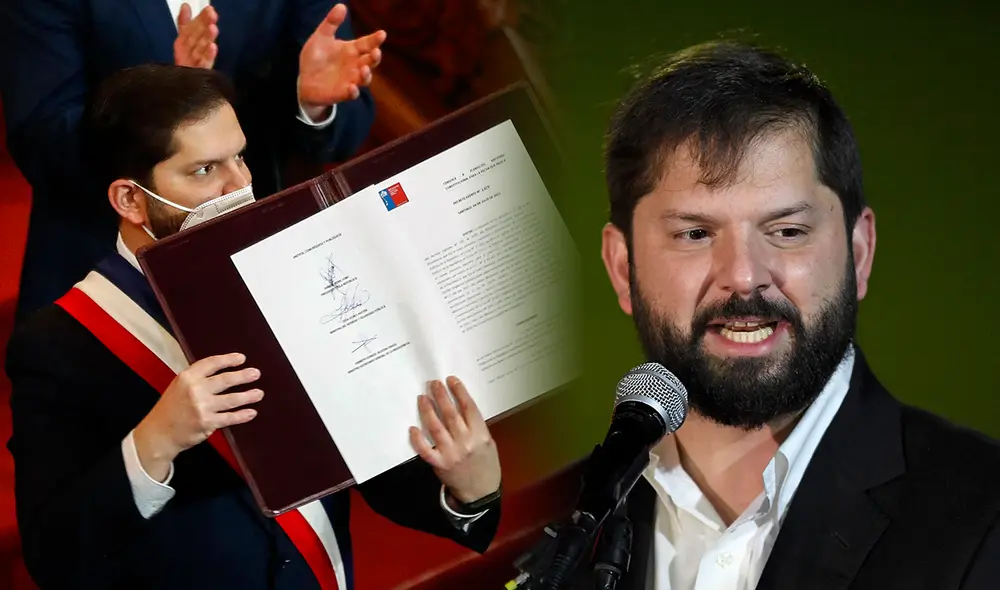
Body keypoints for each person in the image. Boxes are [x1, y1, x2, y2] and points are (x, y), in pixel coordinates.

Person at [4, 64, 502, 590]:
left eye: (240, 156)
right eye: (204, 170)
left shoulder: (297, 275)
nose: (241, 184)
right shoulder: (59, 343)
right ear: (130, 199)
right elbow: (54, 554)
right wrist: (157, 440)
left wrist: (466, 493)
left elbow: (367, 448)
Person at [597, 41, 1000, 589]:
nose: (743, 276)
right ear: (624, 269)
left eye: (787, 231)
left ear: (859, 253)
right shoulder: (563, 524)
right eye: (695, 234)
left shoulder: (985, 518)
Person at [0, 0, 386, 322]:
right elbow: (45, 141)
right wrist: (167, 97)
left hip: (260, 261)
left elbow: (347, 128)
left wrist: (310, 102)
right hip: (105, 269)